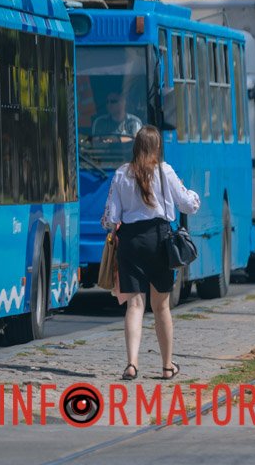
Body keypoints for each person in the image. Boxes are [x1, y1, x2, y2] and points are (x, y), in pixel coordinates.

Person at [101, 125, 201, 381]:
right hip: (159, 240)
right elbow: (188, 205)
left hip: (131, 242)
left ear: (136, 146)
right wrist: (192, 193)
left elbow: (110, 218)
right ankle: (167, 366)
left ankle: (131, 364)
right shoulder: (165, 171)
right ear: (157, 147)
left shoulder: (122, 173)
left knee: (134, 305)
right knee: (161, 306)